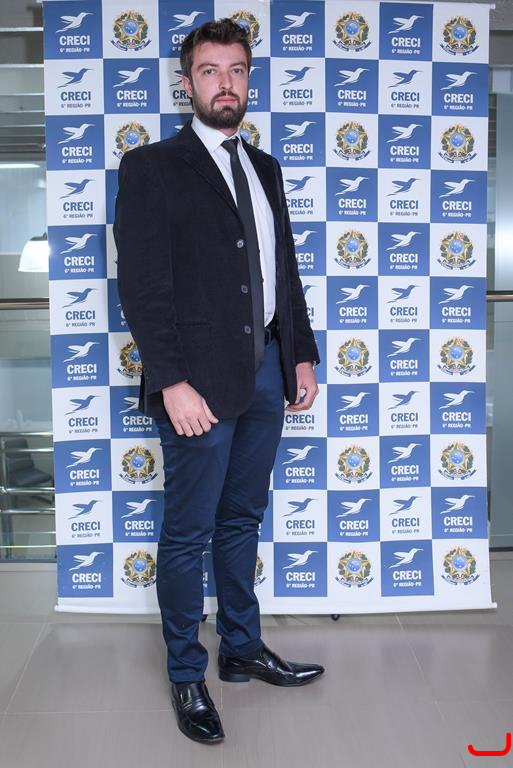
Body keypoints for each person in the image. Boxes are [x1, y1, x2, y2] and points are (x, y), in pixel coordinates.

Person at [114, 18, 323, 745]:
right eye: (210, 71)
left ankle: (241, 647)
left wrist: (300, 355)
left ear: (247, 79)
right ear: (187, 83)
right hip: (196, 384)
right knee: (187, 531)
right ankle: (185, 673)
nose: (224, 83)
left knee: (242, 519)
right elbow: (142, 288)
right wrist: (170, 380)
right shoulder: (151, 167)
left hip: (266, 370)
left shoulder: (264, 167)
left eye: (236, 70)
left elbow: (283, 271)